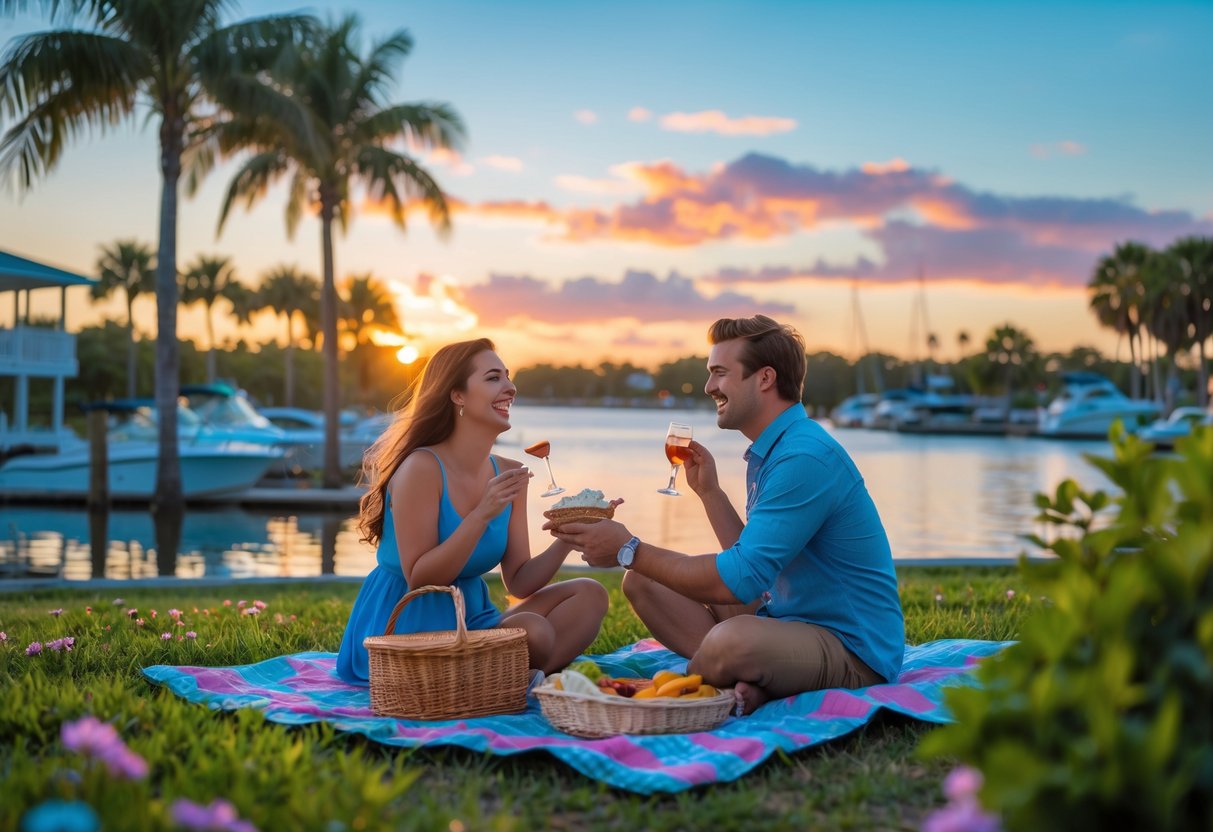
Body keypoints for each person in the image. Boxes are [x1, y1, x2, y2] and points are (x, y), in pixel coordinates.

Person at [549, 315, 904, 714]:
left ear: (765, 378)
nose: (708, 387)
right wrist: (711, 493)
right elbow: (756, 569)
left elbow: (740, 580)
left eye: (719, 373)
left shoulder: (804, 457)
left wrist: (628, 548)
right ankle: (744, 678)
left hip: (852, 646)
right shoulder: (778, 448)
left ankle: (714, 681)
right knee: (643, 584)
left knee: (729, 641)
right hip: (787, 617)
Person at [337, 338, 609, 684]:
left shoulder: (509, 472)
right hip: (407, 624)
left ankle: (515, 681)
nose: (510, 388)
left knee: (589, 595)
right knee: (534, 633)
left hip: (474, 619)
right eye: (494, 378)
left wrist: (570, 535)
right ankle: (512, 678)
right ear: (457, 395)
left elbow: (521, 580)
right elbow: (420, 577)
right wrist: (482, 513)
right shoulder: (422, 467)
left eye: (508, 377)